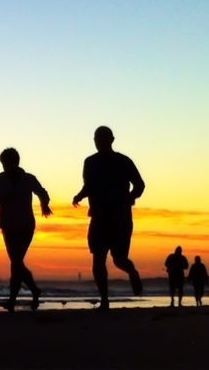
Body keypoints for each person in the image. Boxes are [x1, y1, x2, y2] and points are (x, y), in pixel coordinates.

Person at [72, 125, 145, 309]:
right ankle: (104, 300)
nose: (100, 143)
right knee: (98, 259)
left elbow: (140, 185)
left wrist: (130, 197)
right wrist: (79, 196)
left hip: (120, 218)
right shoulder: (90, 162)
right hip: (98, 217)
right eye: (97, 140)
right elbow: (88, 185)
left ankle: (132, 272)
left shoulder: (123, 161)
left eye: (103, 140)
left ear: (112, 140)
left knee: (119, 259)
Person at [0, 148, 51, 311]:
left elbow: (42, 192)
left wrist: (44, 204)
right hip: (7, 224)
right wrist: (2, 196)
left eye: (6, 163)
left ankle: (15, 299)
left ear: (15, 162)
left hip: (26, 225)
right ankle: (32, 291)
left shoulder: (28, 179)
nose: (5, 167)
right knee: (16, 262)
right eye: (3, 164)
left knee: (15, 262)